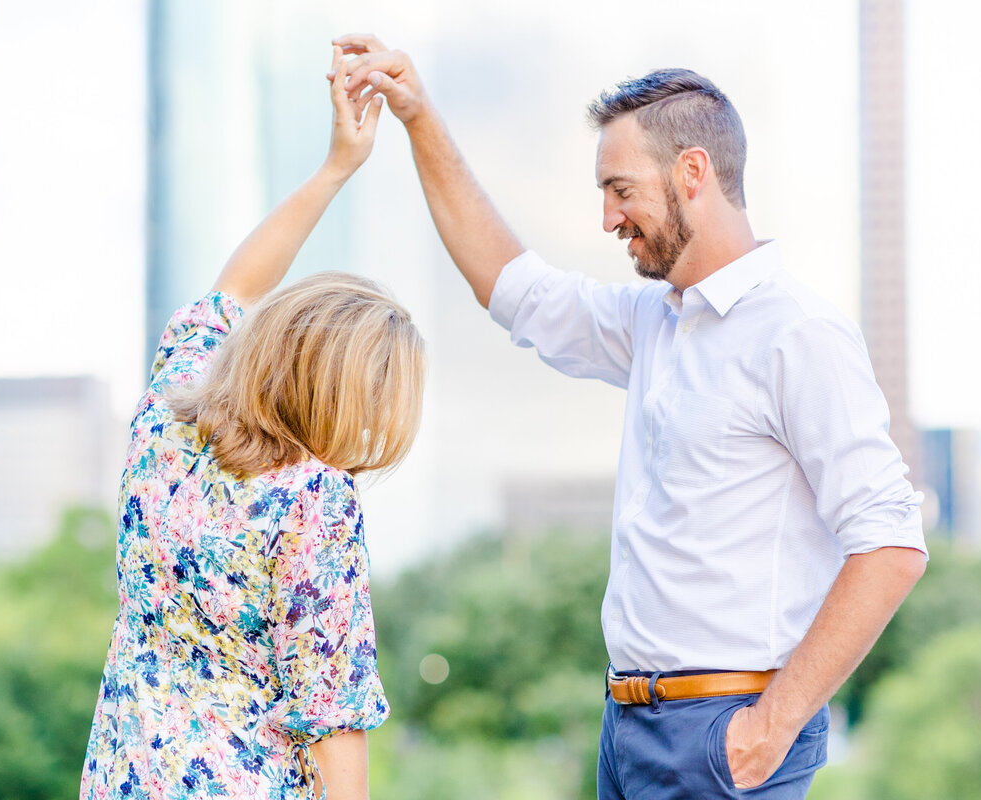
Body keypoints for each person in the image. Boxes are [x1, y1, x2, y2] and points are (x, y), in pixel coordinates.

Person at [329, 34, 928, 799]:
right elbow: (514, 289)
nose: (609, 217)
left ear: (692, 172)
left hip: (725, 740)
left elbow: (890, 544)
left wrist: (765, 730)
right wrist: (419, 118)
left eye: (621, 189)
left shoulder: (798, 335)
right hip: (629, 731)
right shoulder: (656, 321)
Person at [79, 47, 419, 800]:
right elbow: (332, 714)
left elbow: (238, 282)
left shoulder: (166, 413)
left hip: (124, 777)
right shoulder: (314, 499)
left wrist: (336, 167)